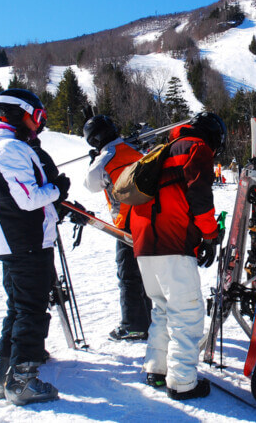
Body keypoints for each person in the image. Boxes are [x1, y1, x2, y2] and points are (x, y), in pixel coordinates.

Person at [0, 88, 70, 406]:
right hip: (26, 243)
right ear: (20, 113)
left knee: (18, 309)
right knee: (31, 310)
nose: (40, 124)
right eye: (38, 117)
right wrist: (57, 189)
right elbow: (28, 199)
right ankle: (22, 381)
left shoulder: (6, 149)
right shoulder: (11, 150)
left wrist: (54, 194)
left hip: (18, 241)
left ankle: (3, 376)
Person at [130, 111, 225, 400]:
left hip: (145, 244)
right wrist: (209, 235)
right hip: (173, 242)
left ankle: (156, 371)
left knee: (162, 309)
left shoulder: (165, 149)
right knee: (187, 313)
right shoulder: (197, 148)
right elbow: (199, 196)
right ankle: (183, 383)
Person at [82, 115, 152, 341]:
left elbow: (90, 185)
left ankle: (133, 324)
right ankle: (149, 319)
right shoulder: (133, 149)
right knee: (145, 273)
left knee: (128, 274)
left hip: (127, 222)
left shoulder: (105, 158)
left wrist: (94, 161)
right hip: (148, 218)